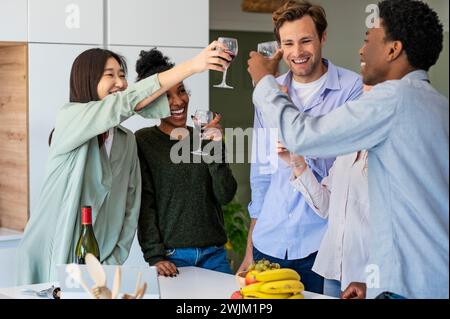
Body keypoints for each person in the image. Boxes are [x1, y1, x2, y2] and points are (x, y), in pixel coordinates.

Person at [247, 0, 448, 299]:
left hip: (403, 288)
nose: (361, 50)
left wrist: (263, 82)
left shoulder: (389, 100)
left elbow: (301, 135)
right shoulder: (439, 106)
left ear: (392, 50)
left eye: (369, 41)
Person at [16, 42, 231, 285]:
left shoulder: (125, 141)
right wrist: (193, 65)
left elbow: (131, 209)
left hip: (100, 264)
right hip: (50, 254)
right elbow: (123, 104)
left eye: (122, 75)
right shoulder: (69, 121)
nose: (120, 83)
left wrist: (112, 259)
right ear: (87, 80)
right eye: (110, 75)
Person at [238, 0, 363, 294]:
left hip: (320, 246)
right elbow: (262, 172)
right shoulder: (268, 92)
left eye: (306, 40)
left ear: (323, 37)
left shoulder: (352, 89)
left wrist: (286, 114)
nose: (297, 52)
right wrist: (249, 248)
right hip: (269, 242)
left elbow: (346, 175)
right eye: (288, 43)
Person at [135, 49, 237, 276]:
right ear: (153, 103)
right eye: (166, 96)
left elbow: (225, 195)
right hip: (173, 259)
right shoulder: (143, 141)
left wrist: (215, 148)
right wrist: (154, 256)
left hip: (215, 255)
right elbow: (145, 204)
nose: (178, 101)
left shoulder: (205, 135)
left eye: (181, 91)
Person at [278, 141, 369, 298]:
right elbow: (327, 206)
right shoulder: (347, 150)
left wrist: (374, 283)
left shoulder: (392, 153)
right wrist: (298, 164)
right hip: (334, 270)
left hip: (367, 276)